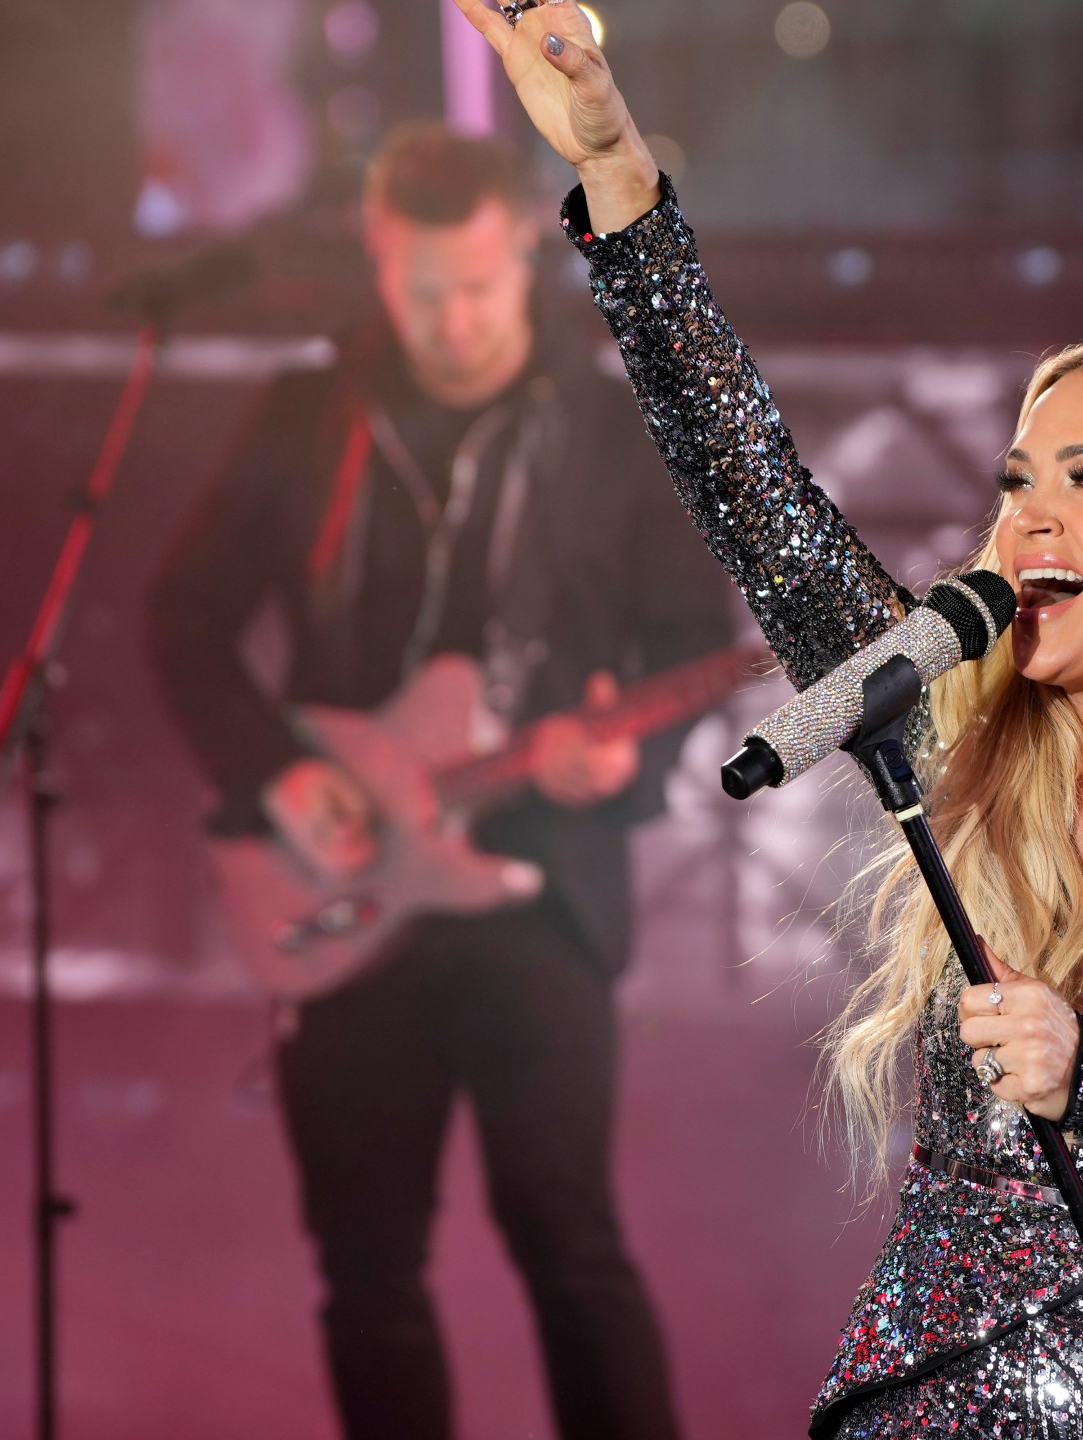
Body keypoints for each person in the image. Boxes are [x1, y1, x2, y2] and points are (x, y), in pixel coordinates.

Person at [449, 3, 1083, 1434]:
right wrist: (619, 175)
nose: (1026, 511)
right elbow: (757, 495)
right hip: (935, 1405)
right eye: (1014, 476)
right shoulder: (964, 738)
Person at [147, 121, 732, 1440]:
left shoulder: (610, 424)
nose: (455, 320)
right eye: (423, 291)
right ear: (378, 255)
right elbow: (181, 617)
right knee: (366, 1273)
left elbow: (692, 644)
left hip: (541, 892)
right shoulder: (310, 414)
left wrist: (626, 766)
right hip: (348, 894)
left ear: (522, 250)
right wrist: (272, 778)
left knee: (569, 1240)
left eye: (477, 285)